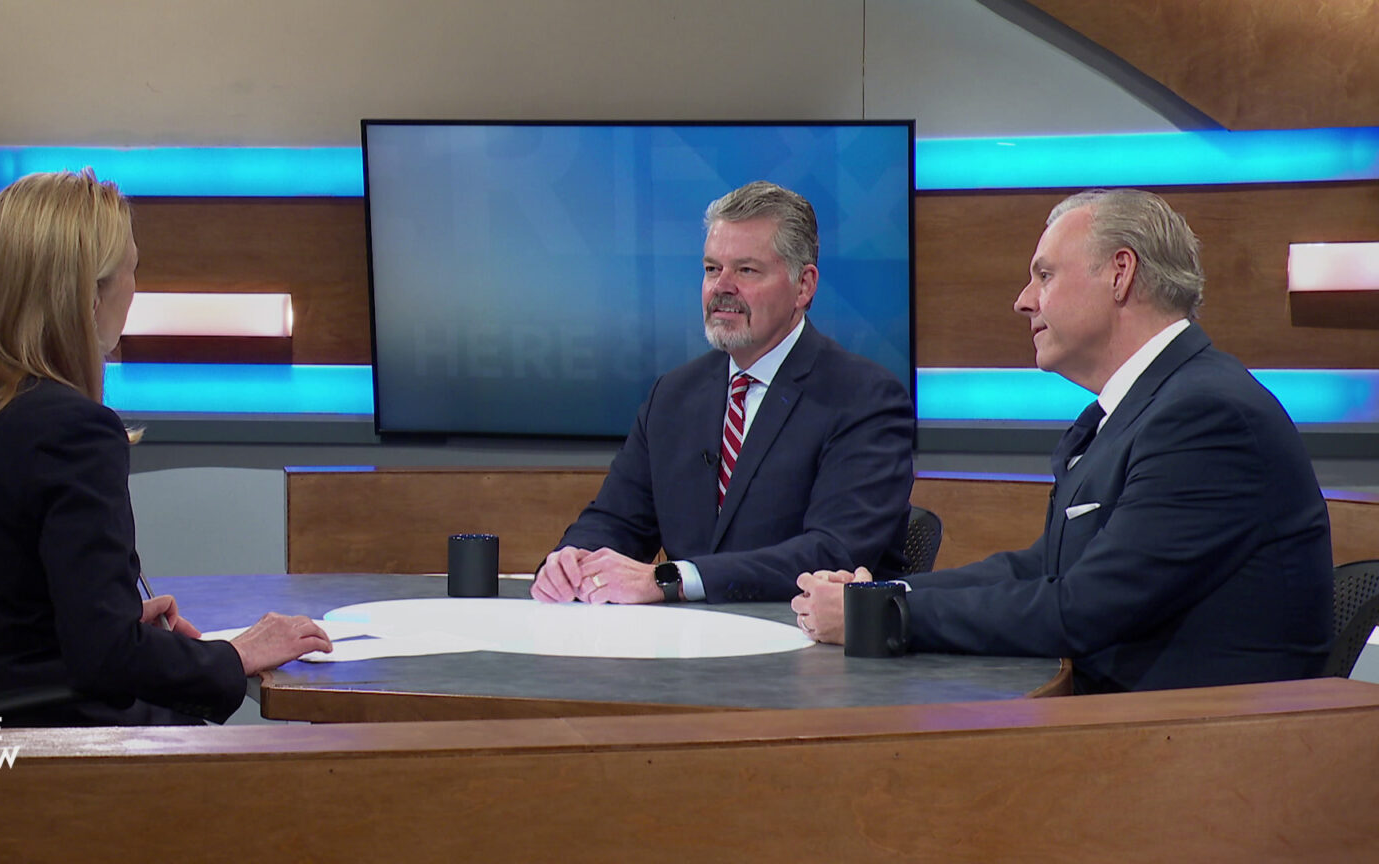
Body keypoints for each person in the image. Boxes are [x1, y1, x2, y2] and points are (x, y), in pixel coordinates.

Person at [792, 189, 1333, 693]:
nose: (1024, 301)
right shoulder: (1143, 407)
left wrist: (876, 618)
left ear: (1121, 273)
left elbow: (1084, 608)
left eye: (1044, 275)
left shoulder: (1206, 417)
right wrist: (883, 595)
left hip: (1197, 746)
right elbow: (1045, 568)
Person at [0, 170, 332, 726]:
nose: (136, 288)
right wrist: (234, 654)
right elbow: (106, 659)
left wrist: (113, 616)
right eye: (134, 268)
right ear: (90, 296)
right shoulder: (74, 431)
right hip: (27, 758)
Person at [532, 181, 914, 605]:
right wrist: (573, 561)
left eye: (746, 270)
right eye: (712, 269)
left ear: (803, 286)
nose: (722, 287)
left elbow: (832, 553)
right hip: (684, 656)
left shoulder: (864, 399)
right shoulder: (673, 396)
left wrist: (672, 580)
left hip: (807, 650)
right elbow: (616, 521)